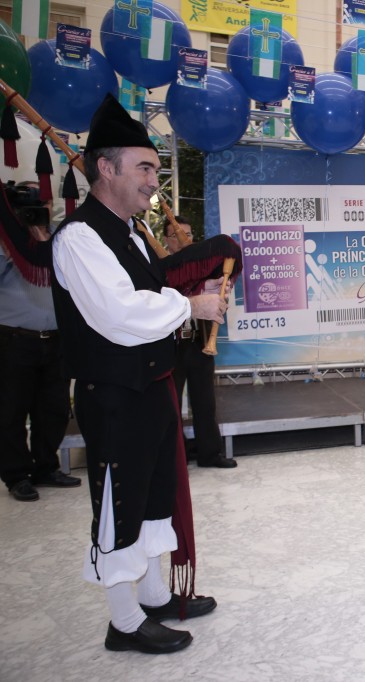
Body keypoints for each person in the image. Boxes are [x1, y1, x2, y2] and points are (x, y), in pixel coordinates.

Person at [50, 95, 228, 655]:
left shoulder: (128, 233)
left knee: (154, 495)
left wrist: (183, 300)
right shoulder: (80, 237)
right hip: (114, 395)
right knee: (119, 504)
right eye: (145, 167)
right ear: (106, 167)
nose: (155, 180)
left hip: (149, 389)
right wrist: (190, 307)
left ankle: (152, 596)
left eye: (155, 168)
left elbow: (148, 295)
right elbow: (121, 315)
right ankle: (123, 622)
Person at [1, 182, 80, 501]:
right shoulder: (7, 241)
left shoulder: (59, 239)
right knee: (11, 411)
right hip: (14, 339)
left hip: (56, 339)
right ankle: (16, 475)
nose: (39, 209)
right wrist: (13, 249)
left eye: (44, 202)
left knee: (55, 408)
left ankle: (46, 467)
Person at [164, 216, 236, 469]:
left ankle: (210, 453)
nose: (185, 240)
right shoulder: (161, 268)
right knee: (169, 404)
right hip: (171, 345)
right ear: (166, 240)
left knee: (205, 400)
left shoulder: (204, 268)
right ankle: (175, 455)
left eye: (189, 234)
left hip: (199, 341)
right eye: (178, 235)